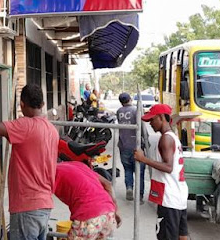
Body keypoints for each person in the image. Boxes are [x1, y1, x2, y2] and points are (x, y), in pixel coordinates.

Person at [0, 79, 58, 240]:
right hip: (45, 205)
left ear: (22, 104)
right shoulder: (52, 130)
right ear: (43, 103)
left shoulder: (25, 126)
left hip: (27, 207)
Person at [133, 104, 189, 240]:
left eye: (152, 120)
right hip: (178, 196)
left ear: (161, 117)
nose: (150, 124)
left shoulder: (166, 138)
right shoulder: (173, 137)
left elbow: (168, 167)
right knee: (182, 236)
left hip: (169, 198)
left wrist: (143, 159)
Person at [54, 161, 121, 240]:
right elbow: (108, 184)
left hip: (88, 218)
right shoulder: (78, 165)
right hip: (109, 214)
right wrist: (116, 210)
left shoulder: (51, 173)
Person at [116, 93, 147, 201]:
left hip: (123, 145)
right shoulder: (136, 110)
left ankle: (129, 187)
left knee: (127, 169)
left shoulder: (119, 111)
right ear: (130, 99)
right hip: (136, 145)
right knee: (140, 172)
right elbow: (142, 127)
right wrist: (146, 141)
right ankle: (140, 195)